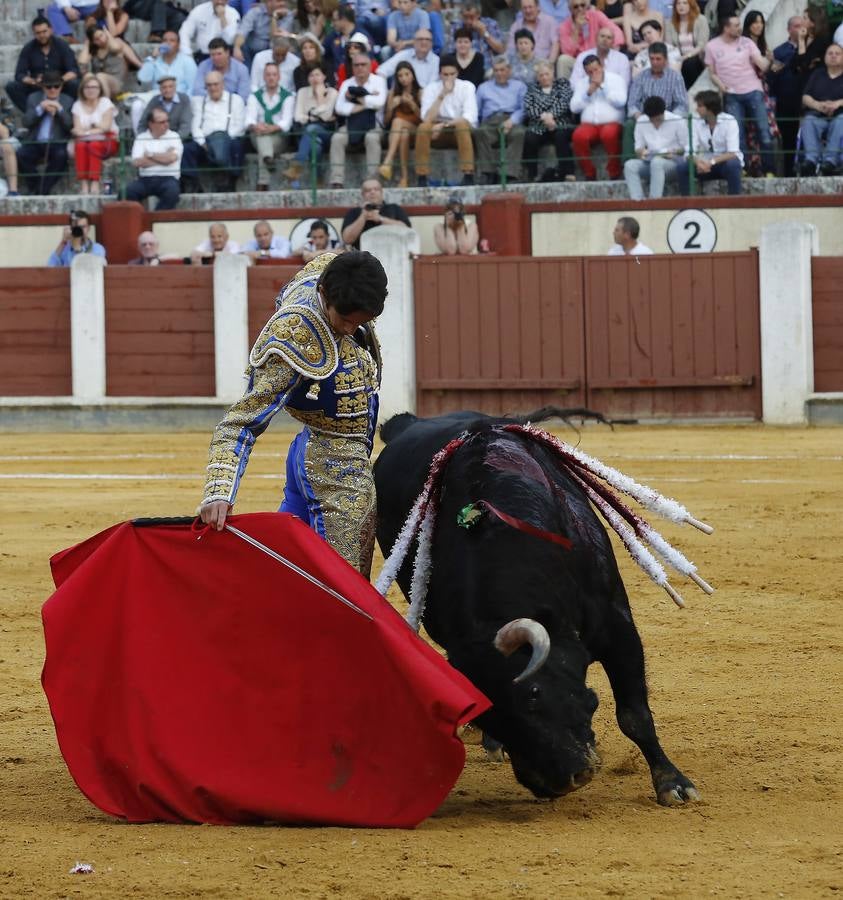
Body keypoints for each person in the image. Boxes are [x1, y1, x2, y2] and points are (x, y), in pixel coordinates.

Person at [198, 251, 388, 578]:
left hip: (313, 453)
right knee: (344, 589)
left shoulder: (339, 272)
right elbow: (239, 422)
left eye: (359, 321)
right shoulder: (295, 336)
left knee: (281, 571)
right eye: (345, 319)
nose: (350, 328)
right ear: (324, 295)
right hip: (332, 470)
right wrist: (219, 490)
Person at [705, 15, 773, 175]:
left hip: (753, 90)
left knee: (764, 131)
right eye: (735, 25)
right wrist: (722, 87)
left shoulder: (747, 42)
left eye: (739, 25)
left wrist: (768, 60)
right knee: (738, 134)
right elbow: (712, 73)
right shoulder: (712, 46)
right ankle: (743, 170)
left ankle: (770, 170)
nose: (739, 28)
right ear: (726, 28)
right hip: (731, 94)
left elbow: (762, 65)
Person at [415, 54, 478, 186]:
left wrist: (443, 125)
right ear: (440, 74)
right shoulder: (431, 88)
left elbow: (469, 117)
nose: (449, 77)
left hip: (458, 130)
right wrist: (442, 95)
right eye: (445, 74)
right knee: (423, 128)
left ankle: (468, 174)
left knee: (461, 124)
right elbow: (426, 118)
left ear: (457, 73)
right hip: (436, 131)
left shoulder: (467, 87)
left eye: (452, 74)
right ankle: (422, 175)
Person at [328, 54, 387, 188]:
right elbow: (339, 108)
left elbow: (380, 103)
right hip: (352, 124)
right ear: (352, 67)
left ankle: (372, 180)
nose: (360, 68)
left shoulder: (379, 81)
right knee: (337, 138)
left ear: (370, 66)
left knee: (372, 138)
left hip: (375, 125)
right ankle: (337, 180)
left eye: (363, 64)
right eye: (356, 65)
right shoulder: (347, 83)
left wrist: (354, 99)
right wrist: (367, 101)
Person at [182, 71, 247, 192]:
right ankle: (193, 183)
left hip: (228, 138)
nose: (212, 88)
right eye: (209, 85)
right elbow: (195, 126)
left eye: (215, 84)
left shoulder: (236, 100)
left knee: (236, 146)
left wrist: (223, 140)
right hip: (205, 142)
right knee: (186, 149)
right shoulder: (199, 102)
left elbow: (240, 125)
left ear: (223, 84)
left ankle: (229, 180)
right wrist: (203, 143)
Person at [6, 16, 80, 112]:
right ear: (34, 34)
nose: (42, 36)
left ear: (51, 30)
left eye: (44, 31)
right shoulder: (28, 48)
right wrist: (33, 81)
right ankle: (33, 114)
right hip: (38, 85)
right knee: (12, 86)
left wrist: (59, 80)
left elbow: (74, 70)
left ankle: (65, 114)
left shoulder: (62, 45)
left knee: (75, 84)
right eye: (38, 33)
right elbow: (19, 75)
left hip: (59, 85)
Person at [675, 89, 742, 195]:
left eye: (700, 106)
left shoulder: (729, 121)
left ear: (710, 108)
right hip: (703, 165)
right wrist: (698, 162)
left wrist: (711, 162)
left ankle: (734, 203)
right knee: (682, 167)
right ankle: (687, 204)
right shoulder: (696, 122)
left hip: (722, 164)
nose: (697, 109)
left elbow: (732, 153)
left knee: (733, 164)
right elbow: (689, 150)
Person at [570, 54, 627, 179]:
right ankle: (589, 173)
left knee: (608, 135)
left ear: (602, 66)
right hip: (589, 125)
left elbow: (621, 102)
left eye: (596, 70)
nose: (594, 74)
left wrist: (603, 87)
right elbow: (573, 108)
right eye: (590, 72)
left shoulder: (616, 79)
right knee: (578, 136)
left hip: (612, 123)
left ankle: (614, 172)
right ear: (585, 72)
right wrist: (588, 93)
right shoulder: (582, 84)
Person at [15, 73, 73, 195]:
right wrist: (40, 109)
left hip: (56, 142)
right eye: (49, 87)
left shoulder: (67, 100)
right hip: (36, 141)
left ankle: (40, 190)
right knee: (21, 154)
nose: (53, 89)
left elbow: (70, 125)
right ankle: (40, 187)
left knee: (61, 156)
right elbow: (26, 122)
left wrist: (59, 110)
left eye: (56, 86)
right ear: (43, 87)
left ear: (61, 87)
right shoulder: (34, 98)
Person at [475, 56, 527, 184]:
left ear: (509, 70)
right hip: (491, 121)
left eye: (502, 70)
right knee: (480, 132)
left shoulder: (519, 86)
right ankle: (488, 172)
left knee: (519, 134)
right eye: (496, 70)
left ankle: (509, 173)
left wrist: (512, 121)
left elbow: (524, 108)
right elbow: (476, 110)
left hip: (511, 120)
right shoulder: (483, 87)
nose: (499, 73)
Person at [522, 59, 576, 180]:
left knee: (561, 136)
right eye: (541, 75)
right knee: (530, 137)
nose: (545, 77)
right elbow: (529, 108)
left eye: (547, 74)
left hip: (560, 122)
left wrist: (551, 115)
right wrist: (544, 118)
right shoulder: (532, 88)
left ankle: (568, 172)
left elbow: (564, 102)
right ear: (537, 77)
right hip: (539, 124)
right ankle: (532, 174)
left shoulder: (562, 84)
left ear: (553, 73)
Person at [133, 31, 198, 131]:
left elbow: (192, 86)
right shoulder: (155, 60)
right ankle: (140, 139)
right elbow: (143, 78)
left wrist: (184, 102)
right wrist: (152, 57)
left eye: (172, 40)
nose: (168, 43)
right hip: (157, 97)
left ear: (178, 45)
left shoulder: (187, 61)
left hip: (179, 97)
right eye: (165, 40)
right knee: (136, 105)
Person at [623, 94, 684, 198]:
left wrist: (672, 153)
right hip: (650, 161)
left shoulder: (677, 120)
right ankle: (637, 201)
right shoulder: (642, 121)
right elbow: (638, 148)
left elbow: (686, 148)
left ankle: (654, 202)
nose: (655, 122)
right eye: (652, 119)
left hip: (673, 164)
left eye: (658, 119)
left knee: (657, 162)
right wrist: (642, 152)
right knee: (629, 165)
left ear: (663, 112)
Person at [245, 61, 294, 189]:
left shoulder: (288, 97)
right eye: (268, 75)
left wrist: (272, 128)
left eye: (274, 74)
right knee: (261, 136)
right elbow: (249, 119)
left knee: (264, 138)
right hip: (258, 133)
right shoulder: (254, 97)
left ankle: (263, 182)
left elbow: (286, 122)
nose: (271, 78)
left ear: (279, 77)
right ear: (264, 77)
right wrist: (256, 127)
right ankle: (267, 160)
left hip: (279, 137)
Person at [286, 62, 337, 181]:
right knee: (315, 146)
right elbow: (298, 117)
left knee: (311, 129)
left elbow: (325, 116)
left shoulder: (332, 92)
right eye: (311, 75)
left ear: (324, 76)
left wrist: (320, 97)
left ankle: (297, 166)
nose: (315, 78)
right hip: (308, 134)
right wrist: (314, 117)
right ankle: (317, 179)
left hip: (326, 132)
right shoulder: (302, 92)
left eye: (317, 75)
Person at [799, 42, 843, 176]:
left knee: (841, 121)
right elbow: (805, 97)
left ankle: (830, 162)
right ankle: (811, 161)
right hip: (818, 115)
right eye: (830, 53)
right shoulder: (817, 74)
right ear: (824, 57)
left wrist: (837, 104)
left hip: (839, 115)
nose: (833, 56)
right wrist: (818, 105)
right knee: (808, 121)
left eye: (837, 54)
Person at [126, 107, 183, 209]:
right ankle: (138, 219)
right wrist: (164, 157)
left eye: (167, 121)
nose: (166, 124)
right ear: (151, 124)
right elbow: (137, 162)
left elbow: (171, 158)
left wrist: (150, 155)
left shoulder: (174, 136)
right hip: (145, 179)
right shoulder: (141, 138)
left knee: (172, 193)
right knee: (127, 192)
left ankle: (155, 219)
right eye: (162, 122)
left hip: (169, 178)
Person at [768, 15, 805, 176]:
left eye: (802, 26)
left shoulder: (812, 47)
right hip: (786, 101)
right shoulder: (780, 51)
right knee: (788, 140)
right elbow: (773, 77)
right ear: (789, 29)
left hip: (808, 100)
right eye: (797, 26)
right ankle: (788, 173)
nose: (801, 29)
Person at [71, 73, 118, 194]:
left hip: (107, 140)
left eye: (94, 87)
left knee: (93, 145)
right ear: (82, 90)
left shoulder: (105, 102)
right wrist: (96, 127)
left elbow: (106, 127)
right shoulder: (77, 105)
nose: (91, 90)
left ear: (100, 89)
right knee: (80, 145)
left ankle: (95, 182)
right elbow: (76, 129)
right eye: (87, 87)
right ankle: (84, 184)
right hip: (85, 140)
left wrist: (86, 131)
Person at [378, 60, 422, 186]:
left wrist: (412, 105)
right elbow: (386, 121)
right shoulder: (393, 93)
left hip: (415, 129)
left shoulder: (419, 92)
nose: (403, 78)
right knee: (403, 134)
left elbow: (422, 119)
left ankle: (388, 161)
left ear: (412, 75)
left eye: (407, 74)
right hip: (398, 132)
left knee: (398, 122)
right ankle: (404, 178)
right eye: (400, 75)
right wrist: (391, 106)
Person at [558, 0, 624, 80]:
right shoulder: (564, 26)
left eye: (582, 5)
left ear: (586, 6)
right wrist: (577, 30)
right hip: (579, 62)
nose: (580, 9)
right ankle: (563, 91)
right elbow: (567, 52)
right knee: (563, 60)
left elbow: (616, 31)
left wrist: (613, 49)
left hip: (598, 58)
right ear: (570, 9)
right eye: (576, 7)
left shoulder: (596, 15)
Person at [341, 178, 410, 248]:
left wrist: (380, 219)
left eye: (376, 189)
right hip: (363, 256)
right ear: (362, 194)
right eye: (368, 190)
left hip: (392, 254)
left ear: (381, 192)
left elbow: (407, 231)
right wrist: (363, 216)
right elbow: (347, 240)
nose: (372, 192)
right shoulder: (354, 212)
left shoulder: (394, 208)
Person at [77, 24, 140, 98]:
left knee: (100, 76)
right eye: (96, 39)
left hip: (115, 83)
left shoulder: (116, 42)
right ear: (93, 42)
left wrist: (107, 33)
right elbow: (81, 63)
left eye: (101, 35)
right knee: (88, 76)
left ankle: (105, 104)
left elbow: (116, 48)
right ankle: (86, 104)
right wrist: (87, 44)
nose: (101, 40)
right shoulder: (94, 50)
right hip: (98, 83)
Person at [627, 41, 687, 118]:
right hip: (644, 117)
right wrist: (637, 115)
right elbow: (632, 103)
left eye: (658, 59)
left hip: (669, 118)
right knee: (629, 124)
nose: (654, 62)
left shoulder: (676, 78)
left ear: (665, 59)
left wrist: (670, 117)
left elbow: (682, 105)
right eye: (652, 59)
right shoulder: (640, 77)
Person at [447, 2, 504, 71]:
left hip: (486, 69)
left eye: (471, 17)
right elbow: (451, 52)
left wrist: (485, 33)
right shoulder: (456, 27)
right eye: (465, 17)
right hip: (462, 69)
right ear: (461, 15)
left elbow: (501, 50)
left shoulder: (491, 24)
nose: (468, 21)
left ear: (478, 15)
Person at [665, 0, 709, 89]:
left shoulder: (701, 20)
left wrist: (686, 56)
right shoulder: (669, 23)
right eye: (678, 3)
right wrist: (679, 57)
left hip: (697, 56)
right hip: (678, 56)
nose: (681, 6)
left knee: (689, 63)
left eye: (685, 3)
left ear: (691, 5)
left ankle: (693, 89)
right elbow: (669, 44)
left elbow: (702, 44)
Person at [233, 0, 288, 67]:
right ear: (269, 2)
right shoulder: (255, 12)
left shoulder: (287, 15)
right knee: (242, 46)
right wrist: (237, 47)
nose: (283, 4)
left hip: (273, 51)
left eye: (284, 1)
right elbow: (243, 31)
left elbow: (275, 39)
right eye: (278, 1)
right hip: (252, 51)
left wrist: (274, 17)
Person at [138, 75, 193, 141]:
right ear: (160, 89)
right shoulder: (155, 100)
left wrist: (173, 141)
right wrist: (144, 139)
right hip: (156, 140)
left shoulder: (184, 99)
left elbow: (185, 126)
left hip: (178, 140)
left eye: (170, 86)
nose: (167, 90)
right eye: (164, 87)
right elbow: (143, 123)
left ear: (175, 87)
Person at [506, 0, 560, 66]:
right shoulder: (516, 26)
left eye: (530, 7)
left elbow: (555, 45)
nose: (528, 11)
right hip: (522, 67)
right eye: (524, 8)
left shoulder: (550, 22)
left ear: (538, 7)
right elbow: (510, 50)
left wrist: (549, 64)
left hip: (543, 67)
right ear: (521, 9)